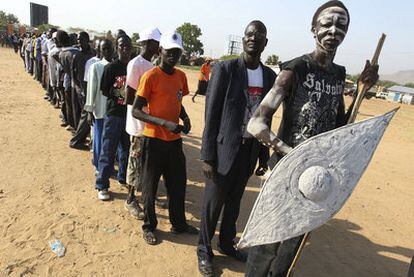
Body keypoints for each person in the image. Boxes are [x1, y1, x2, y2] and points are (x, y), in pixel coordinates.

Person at [244, 2, 379, 276]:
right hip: (284, 172)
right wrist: (290, 153)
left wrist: (362, 90)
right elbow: (256, 123)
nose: (333, 30)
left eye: (341, 25)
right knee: (268, 242)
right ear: (313, 29)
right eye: (327, 24)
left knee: (292, 245)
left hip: (317, 180)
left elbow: (339, 127)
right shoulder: (295, 69)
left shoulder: (338, 75)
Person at [196, 20, 275, 276]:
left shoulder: (269, 76)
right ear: (243, 40)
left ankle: (227, 243)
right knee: (212, 204)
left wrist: (263, 153)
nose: (253, 38)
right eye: (249, 34)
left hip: (249, 151)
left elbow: (266, 119)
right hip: (222, 152)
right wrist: (207, 155)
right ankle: (204, 250)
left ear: (265, 43)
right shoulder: (226, 69)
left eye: (259, 36)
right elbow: (212, 113)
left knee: (234, 203)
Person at [132, 31, 198, 245]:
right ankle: (149, 226)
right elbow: (136, 110)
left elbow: (177, 102)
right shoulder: (150, 76)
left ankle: (178, 223)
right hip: (154, 140)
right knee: (149, 187)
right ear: (160, 50)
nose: (174, 56)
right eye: (170, 51)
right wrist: (162, 123)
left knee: (178, 184)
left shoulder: (180, 76)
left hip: (174, 142)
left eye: (177, 52)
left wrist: (185, 118)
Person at [124, 27, 161, 219]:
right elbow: (129, 96)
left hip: (151, 123)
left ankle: (147, 195)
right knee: (135, 161)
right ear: (147, 43)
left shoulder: (153, 65)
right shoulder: (136, 64)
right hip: (139, 123)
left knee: (148, 163)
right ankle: (130, 199)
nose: (159, 46)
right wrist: (152, 102)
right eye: (156, 43)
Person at [94, 35, 132, 200]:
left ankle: (123, 177)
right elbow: (104, 90)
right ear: (117, 48)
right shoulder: (111, 67)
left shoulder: (133, 67)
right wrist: (120, 93)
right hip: (114, 114)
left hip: (129, 115)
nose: (125, 48)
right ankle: (102, 185)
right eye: (121, 45)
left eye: (127, 45)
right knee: (108, 150)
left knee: (126, 149)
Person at [84, 39, 113, 180]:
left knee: (110, 142)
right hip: (100, 110)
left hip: (113, 112)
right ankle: (98, 165)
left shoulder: (117, 66)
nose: (107, 51)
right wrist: (89, 110)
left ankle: (108, 165)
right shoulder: (95, 67)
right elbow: (91, 90)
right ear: (100, 51)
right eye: (104, 49)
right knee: (98, 140)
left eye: (109, 48)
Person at [69, 32, 95, 149]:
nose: (79, 42)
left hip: (92, 87)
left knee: (86, 115)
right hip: (82, 89)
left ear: (87, 40)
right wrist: (79, 89)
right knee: (86, 116)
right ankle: (76, 141)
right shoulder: (76, 55)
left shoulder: (93, 53)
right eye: (78, 40)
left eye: (81, 39)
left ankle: (80, 138)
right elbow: (72, 75)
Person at [57, 30, 79, 131]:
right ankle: (76, 125)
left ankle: (72, 124)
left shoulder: (61, 54)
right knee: (76, 106)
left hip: (67, 82)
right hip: (77, 83)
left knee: (70, 105)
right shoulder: (77, 53)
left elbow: (61, 70)